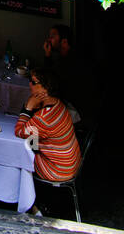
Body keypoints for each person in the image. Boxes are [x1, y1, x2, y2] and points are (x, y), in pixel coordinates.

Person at [15, 65, 81, 194]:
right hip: (70, 164)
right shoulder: (58, 105)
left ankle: (29, 203)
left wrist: (27, 109)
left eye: (33, 82)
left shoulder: (44, 117)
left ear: (46, 89)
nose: (29, 84)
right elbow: (34, 135)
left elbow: (19, 132)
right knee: (29, 146)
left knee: (18, 159)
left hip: (57, 170)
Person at [41, 22, 97, 126]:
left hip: (77, 111)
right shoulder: (64, 58)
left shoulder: (72, 61)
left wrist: (47, 55)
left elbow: (48, 80)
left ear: (64, 41)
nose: (49, 40)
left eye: (52, 37)